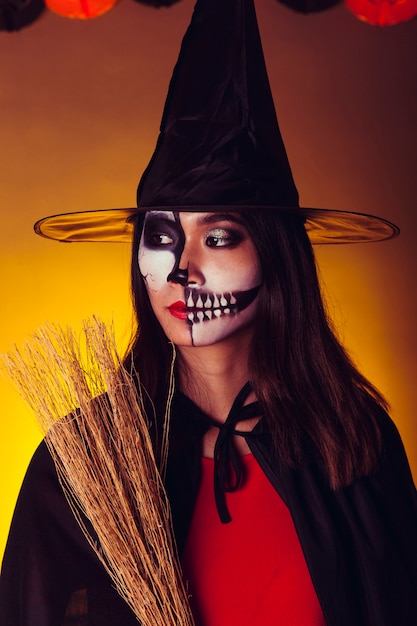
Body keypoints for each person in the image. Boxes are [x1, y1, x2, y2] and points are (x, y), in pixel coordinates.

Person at [1, 0, 416, 624]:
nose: (181, 268)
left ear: (276, 261)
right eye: (163, 236)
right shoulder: (86, 465)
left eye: (219, 237)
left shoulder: (356, 445)